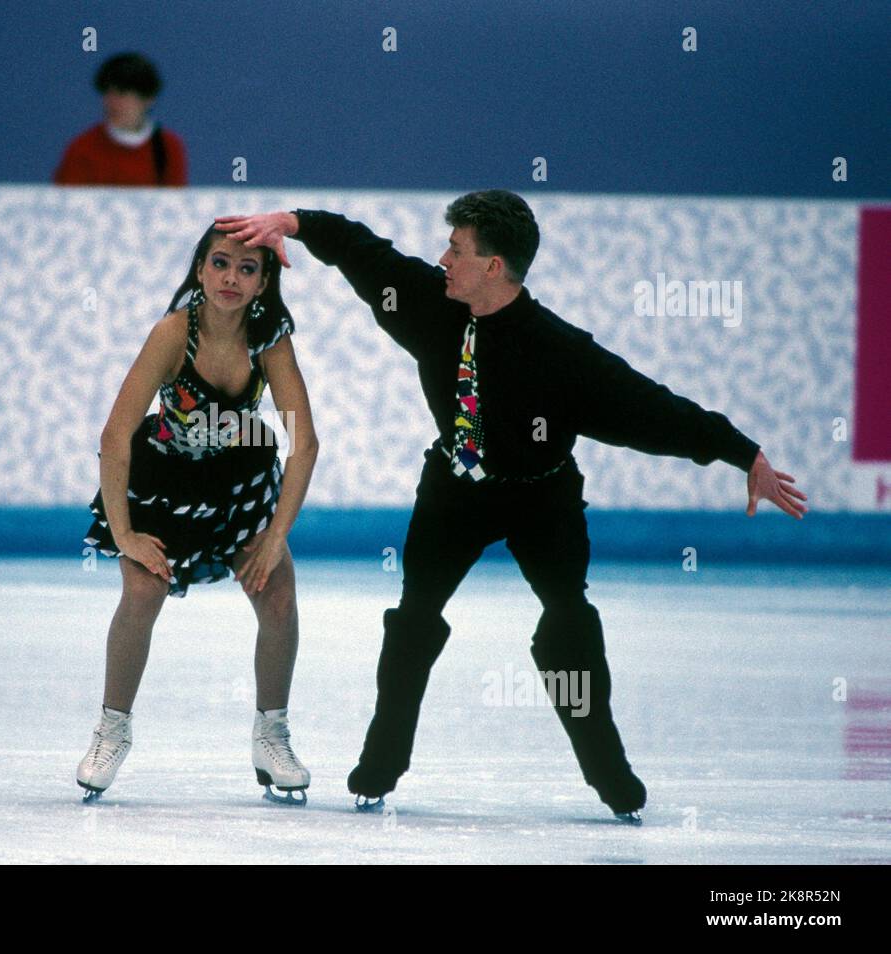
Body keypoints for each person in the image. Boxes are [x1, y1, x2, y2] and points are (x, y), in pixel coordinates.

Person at [214, 191, 808, 822]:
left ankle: (608, 770)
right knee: (414, 616)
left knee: (569, 620)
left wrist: (742, 454)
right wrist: (296, 225)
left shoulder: (560, 351)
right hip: (454, 491)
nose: (443, 259)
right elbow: (365, 253)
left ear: (493, 267)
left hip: (541, 499)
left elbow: (651, 407)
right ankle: (381, 763)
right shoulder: (428, 302)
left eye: (457, 250)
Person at [77, 224, 319, 803]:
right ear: (200, 269)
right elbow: (115, 437)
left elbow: (303, 443)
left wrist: (274, 536)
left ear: (264, 281)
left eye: (247, 268)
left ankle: (272, 734)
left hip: (239, 484)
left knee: (279, 595)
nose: (231, 278)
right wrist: (125, 533)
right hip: (165, 486)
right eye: (220, 263)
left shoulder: (269, 338)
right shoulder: (172, 333)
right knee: (142, 592)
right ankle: (111, 730)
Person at [53, 52, 188, 186]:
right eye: (107, 93)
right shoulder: (82, 149)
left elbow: (173, 204)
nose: (112, 103)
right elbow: (66, 204)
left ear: (148, 99)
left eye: (122, 94)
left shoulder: (168, 147)